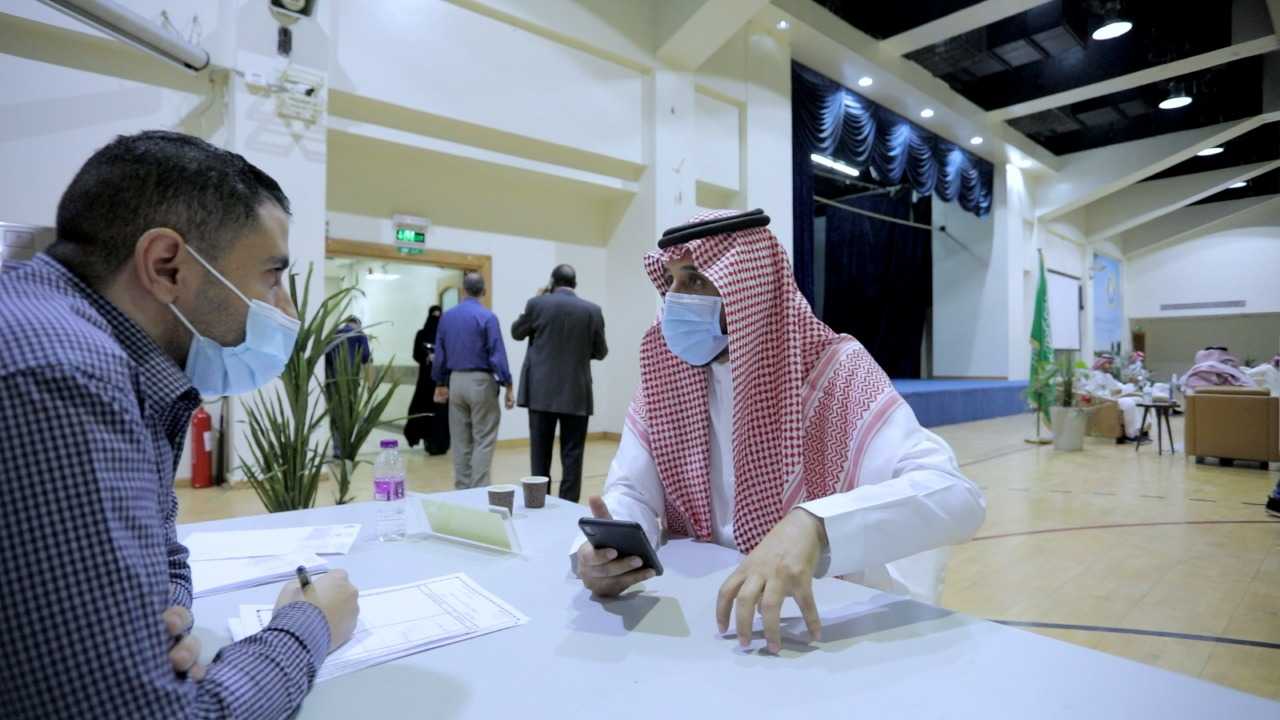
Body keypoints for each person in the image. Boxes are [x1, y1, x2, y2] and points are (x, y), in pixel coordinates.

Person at [0, 131, 359, 718]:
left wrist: (153, 618)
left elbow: (161, 551)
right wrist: (307, 625)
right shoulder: (62, 375)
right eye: (272, 277)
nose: (287, 312)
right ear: (167, 266)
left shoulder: (112, 358)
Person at [571, 209, 985, 655]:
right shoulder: (667, 375)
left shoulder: (834, 371)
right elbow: (632, 491)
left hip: (816, 625)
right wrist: (606, 553)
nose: (673, 300)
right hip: (703, 619)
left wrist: (816, 525)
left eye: (694, 280)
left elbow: (955, 494)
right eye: (670, 281)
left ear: (749, 290)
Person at [511, 264, 608, 502]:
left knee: (540, 454)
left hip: (541, 393)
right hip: (577, 393)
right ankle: (568, 506)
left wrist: (540, 298)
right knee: (573, 455)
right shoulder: (592, 310)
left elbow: (516, 332)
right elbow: (601, 352)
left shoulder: (537, 304)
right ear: (575, 284)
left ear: (552, 282)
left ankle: (539, 502)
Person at [433, 272, 515, 489]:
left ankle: (462, 489)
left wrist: (440, 383)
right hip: (481, 381)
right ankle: (479, 490)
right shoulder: (487, 317)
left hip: (455, 381)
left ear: (463, 290)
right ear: (484, 292)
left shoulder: (447, 317)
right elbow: (497, 354)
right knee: (483, 438)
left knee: (460, 441)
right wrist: (508, 383)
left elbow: (440, 354)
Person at [324, 314, 372, 458]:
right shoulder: (360, 335)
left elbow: (324, 359)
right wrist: (370, 385)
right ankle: (345, 448)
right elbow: (367, 360)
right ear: (358, 324)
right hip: (350, 382)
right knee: (348, 414)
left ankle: (337, 449)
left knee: (335, 415)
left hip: (332, 383)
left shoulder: (332, 335)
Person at [405, 305, 450, 455]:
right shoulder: (421, 334)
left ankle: (442, 442)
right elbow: (416, 354)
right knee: (424, 409)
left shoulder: (446, 334)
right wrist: (427, 357)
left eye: (438, 316)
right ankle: (428, 441)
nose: (436, 319)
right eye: (434, 315)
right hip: (425, 380)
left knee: (441, 412)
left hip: (442, 380)